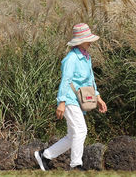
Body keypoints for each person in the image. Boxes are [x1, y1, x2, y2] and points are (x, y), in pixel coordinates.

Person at [35, 23, 108, 171]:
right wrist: (61, 102)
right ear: (79, 41)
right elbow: (65, 81)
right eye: (87, 39)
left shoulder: (86, 57)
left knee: (72, 135)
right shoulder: (71, 59)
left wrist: (98, 97)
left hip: (78, 100)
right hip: (69, 99)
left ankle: (45, 155)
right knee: (81, 131)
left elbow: (91, 80)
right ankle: (76, 165)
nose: (90, 42)